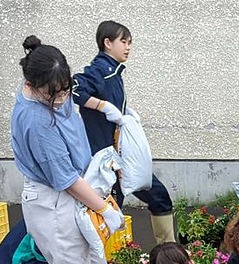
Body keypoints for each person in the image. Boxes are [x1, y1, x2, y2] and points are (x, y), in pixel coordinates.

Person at [11, 36, 124, 264]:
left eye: (65, 91)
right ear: (33, 84)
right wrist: (105, 209)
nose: (62, 99)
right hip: (55, 202)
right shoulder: (36, 120)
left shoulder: (50, 91)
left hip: (74, 193)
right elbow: (65, 180)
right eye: (54, 94)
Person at [73, 20, 176, 244]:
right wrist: (102, 106)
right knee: (107, 214)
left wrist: (123, 110)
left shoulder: (114, 73)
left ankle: (168, 255)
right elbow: (74, 89)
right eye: (123, 42)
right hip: (105, 160)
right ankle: (100, 260)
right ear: (107, 43)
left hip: (121, 156)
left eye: (130, 43)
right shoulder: (101, 70)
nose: (128, 47)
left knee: (158, 197)